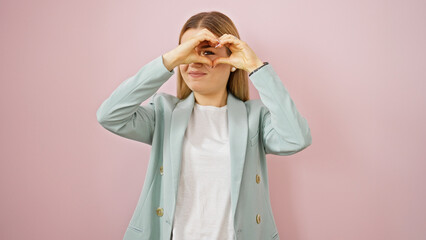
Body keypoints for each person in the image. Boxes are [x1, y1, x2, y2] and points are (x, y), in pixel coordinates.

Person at [97, 11, 312, 240]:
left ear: (232, 62)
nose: (194, 62)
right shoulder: (163, 112)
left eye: (207, 52)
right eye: (187, 53)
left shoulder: (255, 117)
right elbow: (109, 115)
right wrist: (169, 61)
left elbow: (296, 138)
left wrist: (255, 67)